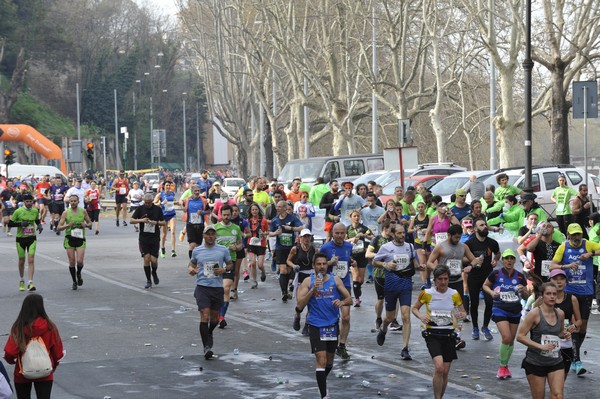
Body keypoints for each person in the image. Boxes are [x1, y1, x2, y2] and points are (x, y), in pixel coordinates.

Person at [295, 252, 352, 399]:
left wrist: (342, 302)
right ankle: (324, 395)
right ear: (313, 266)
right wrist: (313, 290)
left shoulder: (335, 280)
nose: (321, 267)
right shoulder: (308, 282)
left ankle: (321, 382)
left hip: (332, 325)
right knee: (321, 360)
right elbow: (300, 305)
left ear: (328, 265)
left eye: (324, 264)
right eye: (318, 264)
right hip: (315, 325)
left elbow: (349, 299)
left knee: (329, 362)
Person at [550, 223, 600, 375]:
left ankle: (573, 354)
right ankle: (576, 360)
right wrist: (567, 266)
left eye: (579, 234)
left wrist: (590, 254)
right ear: (568, 235)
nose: (577, 237)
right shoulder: (563, 247)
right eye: (574, 235)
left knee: (582, 327)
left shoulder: (588, 244)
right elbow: (552, 266)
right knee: (573, 325)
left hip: (586, 292)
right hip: (569, 292)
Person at [412, 265, 466, 399]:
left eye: (446, 279)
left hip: (448, 335)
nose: (443, 282)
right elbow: (414, 308)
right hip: (433, 334)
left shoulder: (454, 294)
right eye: (440, 279)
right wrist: (421, 316)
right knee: (439, 368)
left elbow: (463, 311)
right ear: (434, 280)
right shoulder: (427, 293)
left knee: (446, 371)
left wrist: (462, 316)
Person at [373, 223, 421, 360]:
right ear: (393, 234)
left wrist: (420, 267)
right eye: (399, 233)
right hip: (391, 286)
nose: (402, 236)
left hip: (406, 285)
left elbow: (414, 263)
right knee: (390, 317)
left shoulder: (410, 247)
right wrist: (385, 264)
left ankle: (405, 348)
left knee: (406, 316)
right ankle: (383, 328)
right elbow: (374, 261)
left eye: (404, 233)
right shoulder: (386, 247)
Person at [3, 294, 64, 399]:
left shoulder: (19, 327)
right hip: (44, 371)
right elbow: (58, 353)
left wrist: (12, 361)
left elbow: (10, 352)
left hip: (22, 373)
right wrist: (53, 366)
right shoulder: (50, 326)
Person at [516, 282, 569, 399]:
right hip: (535, 362)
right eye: (548, 294)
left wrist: (565, 334)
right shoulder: (534, 313)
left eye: (554, 294)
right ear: (542, 296)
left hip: (555, 361)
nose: (552, 297)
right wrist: (540, 346)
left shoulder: (560, 313)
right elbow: (520, 336)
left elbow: (559, 334)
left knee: (558, 396)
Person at [188, 225, 233, 360]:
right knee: (205, 316)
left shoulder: (222, 250)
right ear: (204, 235)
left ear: (215, 236)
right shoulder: (197, 250)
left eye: (213, 234)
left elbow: (230, 264)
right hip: (202, 287)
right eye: (208, 234)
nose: (210, 236)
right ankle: (206, 346)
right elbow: (191, 264)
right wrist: (191, 269)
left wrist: (224, 270)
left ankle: (209, 333)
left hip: (217, 287)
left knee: (214, 319)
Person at [483, 249, 528, 379]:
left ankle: (505, 365)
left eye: (511, 258)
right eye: (506, 258)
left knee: (511, 340)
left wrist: (523, 290)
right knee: (506, 337)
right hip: (499, 308)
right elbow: (485, 285)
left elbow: (526, 295)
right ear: (502, 261)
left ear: (514, 260)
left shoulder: (520, 276)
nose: (509, 260)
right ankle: (502, 367)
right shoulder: (496, 274)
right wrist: (492, 293)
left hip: (515, 310)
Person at [320, 223, 356, 360]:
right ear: (332, 233)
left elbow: (349, 259)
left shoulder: (349, 246)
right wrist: (329, 263)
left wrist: (353, 262)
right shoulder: (326, 247)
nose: (340, 236)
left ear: (345, 233)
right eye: (337, 233)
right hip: (330, 285)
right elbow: (319, 267)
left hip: (345, 284)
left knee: (346, 317)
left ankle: (341, 346)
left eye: (342, 233)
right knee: (331, 317)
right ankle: (328, 344)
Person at [465, 219, 500, 341]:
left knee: (489, 302)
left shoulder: (492, 242)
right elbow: (464, 258)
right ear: (475, 229)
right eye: (481, 225)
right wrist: (471, 263)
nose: (485, 227)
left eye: (485, 225)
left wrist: (495, 259)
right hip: (474, 277)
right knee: (474, 303)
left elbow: (497, 253)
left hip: (488, 277)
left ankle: (485, 327)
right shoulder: (469, 243)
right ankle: (475, 327)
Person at [547, 268, 581, 377]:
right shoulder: (543, 298)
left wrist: (574, 326)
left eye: (562, 279)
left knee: (561, 379)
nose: (559, 281)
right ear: (550, 281)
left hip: (565, 342)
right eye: (555, 279)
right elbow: (534, 318)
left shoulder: (572, 299)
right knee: (550, 377)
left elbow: (579, 321)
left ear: (566, 282)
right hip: (548, 342)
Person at [214, 204, 243, 328]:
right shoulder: (215, 228)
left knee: (226, 288)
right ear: (221, 215)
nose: (226, 217)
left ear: (232, 215)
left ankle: (221, 317)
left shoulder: (236, 228)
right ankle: (216, 313)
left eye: (228, 215)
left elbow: (241, 244)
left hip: (230, 261)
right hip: (215, 262)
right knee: (216, 290)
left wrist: (235, 247)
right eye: (224, 215)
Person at [269, 200, 303, 302]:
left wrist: (291, 228)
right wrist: (275, 233)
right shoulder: (275, 220)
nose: (277, 209)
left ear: (285, 208)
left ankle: (288, 287)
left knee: (289, 270)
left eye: (279, 207)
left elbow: (301, 227)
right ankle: (284, 292)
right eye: (277, 207)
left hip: (291, 248)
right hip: (280, 248)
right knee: (283, 270)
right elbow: (270, 233)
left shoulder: (292, 218)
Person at [130, 193, 166, 289]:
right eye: (146, 203)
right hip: (144, 238)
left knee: (153, 260)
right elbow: (131, 220)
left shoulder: (157, 209)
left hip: (154, 238)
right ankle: (148, 280)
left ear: (152, 201)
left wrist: (156, 222)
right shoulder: (140, 209)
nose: (147, 204)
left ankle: (154, 272)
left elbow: (164, 222)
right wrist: (141, 221)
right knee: (146, 258)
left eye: (149, 203)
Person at [57, 195, 93, 290]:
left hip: (80, 238)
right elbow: (59, 227)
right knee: (72, 261)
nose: (73, 202)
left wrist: (85, 225)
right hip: (69, 239)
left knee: (80, 261)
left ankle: (79, 273)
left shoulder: (83, 211)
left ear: (78, 202)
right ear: (69, 202)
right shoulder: (66, 213)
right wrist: (68, 225)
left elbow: (90, 224)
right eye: (71, 201)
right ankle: (74, 281)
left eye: (75, 201)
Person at [8, 193, 43, 291]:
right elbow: (10, 223)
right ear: (24, 202)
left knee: (31, 259)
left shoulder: (35, 210)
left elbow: (37, 220)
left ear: (32, 201)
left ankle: (30, 282)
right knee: (21, 261)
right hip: (21, 239)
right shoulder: (18, 211)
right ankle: (21, 280)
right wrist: (20, 224)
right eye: (27, 201)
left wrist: (39, 226)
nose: (29, 203)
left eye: (30, 201)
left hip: (32, 238)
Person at [289, 229, 317, 335]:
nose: (306, 239)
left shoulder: (314, 249)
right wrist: (294, 266)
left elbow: (317, 262)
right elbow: (288, 260)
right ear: (300, 238)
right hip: (300, 276)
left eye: (308, 237)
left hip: (311, 276)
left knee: (311, 301)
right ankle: (297, 316)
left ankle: (307, 324)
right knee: (301, 301)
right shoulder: (295, 249)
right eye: (304, 237)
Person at [346, 210, 373, 307]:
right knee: (355, 276)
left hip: (362, 255)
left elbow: (373, 237)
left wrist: (364, 235)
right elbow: (343, 241)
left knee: (360, 279)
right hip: (352, 255)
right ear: (351, 217)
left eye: (358, 216)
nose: (356, 218)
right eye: (354, 216)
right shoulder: (347, 229)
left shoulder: (364, 228)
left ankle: (358, 288)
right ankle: (357, 299)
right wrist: (351, 240)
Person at [246, 203, 269, 288]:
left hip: (261, 244)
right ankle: (254, 281)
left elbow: (268, 231)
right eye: (253, 210)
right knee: (253, 262)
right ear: (250, 211)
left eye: (256, 209)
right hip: (251, 243)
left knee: (259, 264)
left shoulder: (263, 221)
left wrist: (264, 233)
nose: (254, 211)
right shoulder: (248, 221)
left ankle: (263, 271)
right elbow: (245, 231)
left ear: (259, 210)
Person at [154, 181, 178, 258]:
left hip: (172, 214)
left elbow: (173, 201)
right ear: (164, 186)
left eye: (169, 185)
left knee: (173, 232)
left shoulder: (172, 193)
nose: (168, 187)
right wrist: (161, 203)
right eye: (167, 185)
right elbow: (154, 203)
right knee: (164, 234)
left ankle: (173, 250)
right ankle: (163, 248)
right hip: (164, 215)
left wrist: (176, 202)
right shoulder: (160, 194)